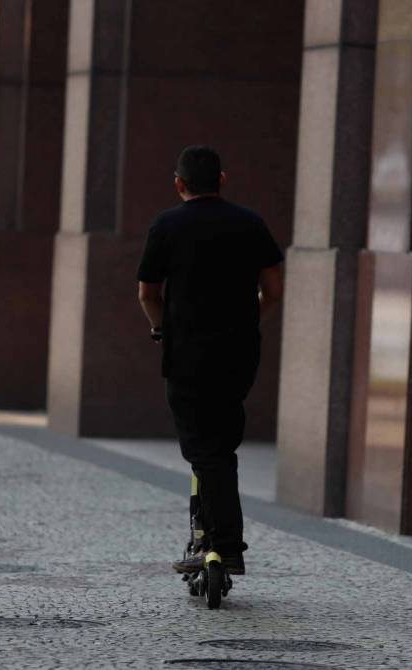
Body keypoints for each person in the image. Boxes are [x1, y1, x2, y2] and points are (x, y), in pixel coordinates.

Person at [136, 146, 284, 576]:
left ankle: (223, 546)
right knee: (219, 445)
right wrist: (249, 319)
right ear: (222, 180)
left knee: (205, 450)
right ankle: (213, 539)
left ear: (179, 184)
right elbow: (274, 290)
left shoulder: (166, 225)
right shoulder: (250, 223)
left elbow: (147, 293)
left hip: (187, 354)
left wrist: (161, 328)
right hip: (239, 354)